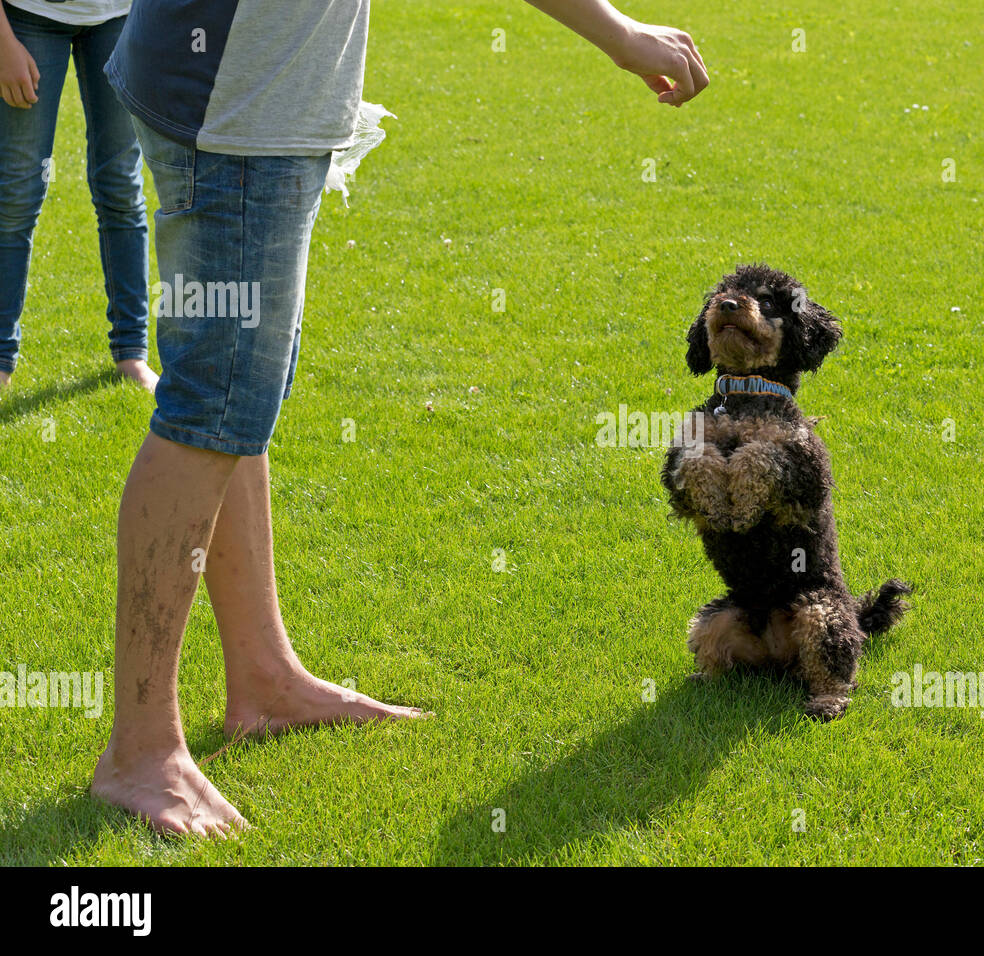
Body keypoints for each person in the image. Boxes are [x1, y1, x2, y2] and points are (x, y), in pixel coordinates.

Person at [90, 0, 707, 836]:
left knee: (236, 399)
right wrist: (620, 35)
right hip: (235, 105)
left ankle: (264, 676)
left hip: (245, 93)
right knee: (211, 403)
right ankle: (139, 752)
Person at [0, 0, 157, 390]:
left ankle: (131, 352)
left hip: (120, 19)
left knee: (122, 184)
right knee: (17, 194)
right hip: (26, 17)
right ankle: (1, 358)